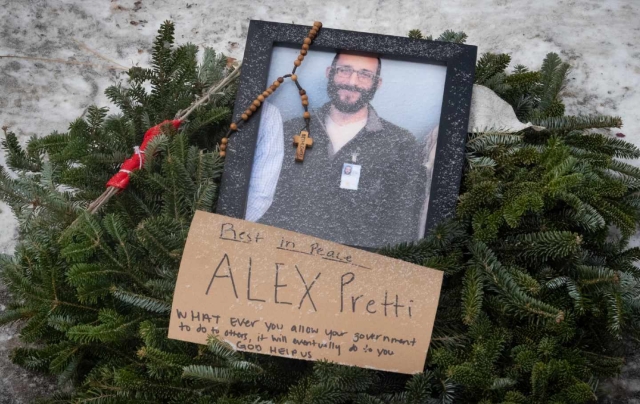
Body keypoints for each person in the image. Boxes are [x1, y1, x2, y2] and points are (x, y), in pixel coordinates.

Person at [254, 51, 427, 248]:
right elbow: (263, 198)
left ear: (377, 83)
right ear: (330, 73)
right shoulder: (289, 130)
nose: (352, 82)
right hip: (284, 253)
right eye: (345, 70)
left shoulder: (400, 143)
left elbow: (401, 223)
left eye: (365, 75)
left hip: (354, 262)